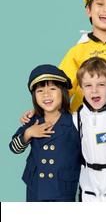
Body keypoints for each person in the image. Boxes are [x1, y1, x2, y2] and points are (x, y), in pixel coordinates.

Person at [10, 64, 81, 202]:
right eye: (40, 91)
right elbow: (14, 148)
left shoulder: (75, 122)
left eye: (53, 89)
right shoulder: (33, 120)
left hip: (63, 188)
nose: (46, 94)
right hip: (36, 188)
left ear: (64, 92)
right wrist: (28, 133)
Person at [75, 57, 106, 202]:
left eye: (101, 84)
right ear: (81, 88)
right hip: (89, 183)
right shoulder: (77, 117)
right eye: (88, 85)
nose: (94, 90)